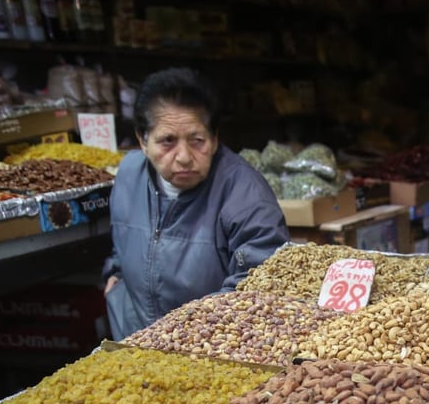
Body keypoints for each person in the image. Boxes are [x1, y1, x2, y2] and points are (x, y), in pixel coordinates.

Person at [102, 67, 289, 339]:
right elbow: (122, 241)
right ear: (143, 140)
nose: (184, 157)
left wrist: (184, 337)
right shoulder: (129, 175)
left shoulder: (245, 193)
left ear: (214, 139)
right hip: (134, 344)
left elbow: (260, 284)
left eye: (197, 140)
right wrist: (115, 274)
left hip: (210, 352)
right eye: (167, 141)